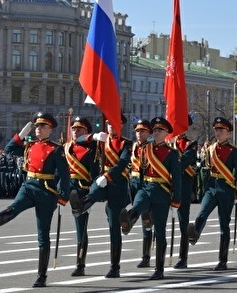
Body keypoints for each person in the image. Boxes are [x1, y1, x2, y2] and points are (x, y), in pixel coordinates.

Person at [0, 112, 69, 288]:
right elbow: (8, 149)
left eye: (42, 126)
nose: (38, 129)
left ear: (50, 129)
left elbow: (65, 175)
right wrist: (22, 133)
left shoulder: (56, 149)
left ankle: (41, 276)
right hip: (29, 186)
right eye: (37, 126)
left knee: (43, 235)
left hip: (46, 192)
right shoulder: (29, 145)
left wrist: (63, 196)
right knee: (15, 206)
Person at [70, 114, 131, 278]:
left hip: (117, 185)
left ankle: (115, 267)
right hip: (101, 183)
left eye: (115, 124)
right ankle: (81, 206)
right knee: (94, 191)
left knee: (113, 225)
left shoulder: (127, 143)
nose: (111, 127)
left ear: (121, 126)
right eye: (109, 124)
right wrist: (94, 135)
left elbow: (123, 163)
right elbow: (78, 139)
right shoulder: (100, 141)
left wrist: (108, 176)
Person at [119, 117, 181, 280]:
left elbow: (177, 178)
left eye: (159, 131)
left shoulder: (171, 153)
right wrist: (137, 189)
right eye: (154, 130)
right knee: (137, 205)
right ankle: (128, 222)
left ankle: (159, 269)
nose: (156, 133)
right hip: (145, 187)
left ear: (166, 133)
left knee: (160, 230)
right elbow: (141, 170)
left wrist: (176, 200)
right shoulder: (145, 149)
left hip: (161, 191)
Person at [187, 117, 237, 271]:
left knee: (223, 225)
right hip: (212, 187)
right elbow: (206, 169)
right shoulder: (210, 149)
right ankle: (195, 233)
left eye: (221, 130)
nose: (218, 132)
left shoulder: (234, 151)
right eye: (216, 130)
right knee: (202, 212)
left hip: (226, 189)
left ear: (229, 134)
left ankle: (222, 260)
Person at [64, 116, 101, 277]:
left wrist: (92, 195)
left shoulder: (92, 150)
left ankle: (80, 264)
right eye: (73, 128)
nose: (75, 131)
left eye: (79, 129)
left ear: (86, 131)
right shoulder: (66, 148)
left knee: (81, 229)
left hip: (81, 192)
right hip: (66, 189)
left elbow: (94, 175)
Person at [172, 116, 198, 269]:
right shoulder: (168, 143)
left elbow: (183, 163)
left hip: (184, 186)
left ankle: (183, 257)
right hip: (167, 185)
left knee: (183, 221)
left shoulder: (191, 144)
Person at [129, 119, 154, 268]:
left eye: (143, 131)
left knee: (147, 220)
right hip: (134, 185)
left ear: (148, 133)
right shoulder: (133, 147)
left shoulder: (151, 148)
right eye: (137, 131)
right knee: (145, 219)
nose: (139, 134)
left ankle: (146, 256)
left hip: (146, 185)